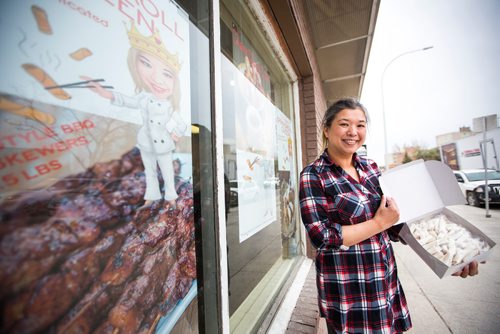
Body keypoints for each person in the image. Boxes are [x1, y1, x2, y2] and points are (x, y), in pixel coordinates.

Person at [299, 98, 479, 334]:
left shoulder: (371, 168)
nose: (353, 132)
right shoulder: (314, 175)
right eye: (344, 124)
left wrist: (448, 259)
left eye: (360, 125)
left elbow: (396, 225)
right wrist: (377, 223)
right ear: (326, 129)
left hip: (383, 283)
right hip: (347, 291)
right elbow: (322, 237)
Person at [83, 23, 186, 209]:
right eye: (146, 64)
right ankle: (152, 196)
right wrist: (107, 94)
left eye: (167, 74)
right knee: (150, 171)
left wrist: (176, 133)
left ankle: (171, 196)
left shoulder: (170, 106)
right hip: (146, 140)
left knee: (167, 170)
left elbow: (181, 123)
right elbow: (128, 101)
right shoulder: (144, 98)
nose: (157, 79)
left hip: (163, 141)